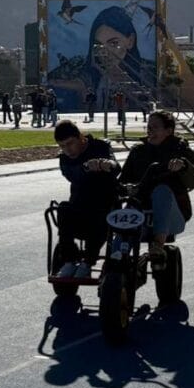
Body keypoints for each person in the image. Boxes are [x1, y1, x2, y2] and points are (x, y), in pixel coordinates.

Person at [119, 109, 194, 314]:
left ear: (169, 130)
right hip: (141, 211)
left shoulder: (181, 150)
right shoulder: (138, 151)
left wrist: (183, 166)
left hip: (172, 214)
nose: (150, 131)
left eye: (155, 127)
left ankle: (158, 246)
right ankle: (117, 258)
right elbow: (122, 181)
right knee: (128, 205)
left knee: (162, 190)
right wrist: (127, 187)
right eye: (148, 127)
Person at [53, 119, 121, 278]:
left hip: (106, 205)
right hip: (80, 206)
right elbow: (72, 175)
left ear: (81, 138)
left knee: (99, 211)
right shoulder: (65, 159)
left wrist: (107, 164)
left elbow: (116, 168)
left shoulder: (100, 146)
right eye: (62, 146)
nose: (67, 149)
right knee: (63, 208)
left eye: (70, 143)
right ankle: (69, 261)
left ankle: (88, 262)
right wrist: (86, 167)